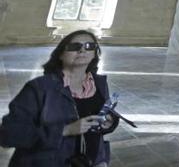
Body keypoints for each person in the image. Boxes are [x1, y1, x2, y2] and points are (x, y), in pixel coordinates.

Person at [0, 30, 117, 166]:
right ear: (60, 54)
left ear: (94, 53)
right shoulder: (40, 87)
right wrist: (65, 130)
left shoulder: (99, 84)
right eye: (75, 46)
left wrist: (109, 122)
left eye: (89, 46)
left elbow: (99, 126)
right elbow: (8, 134)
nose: (82, 50)